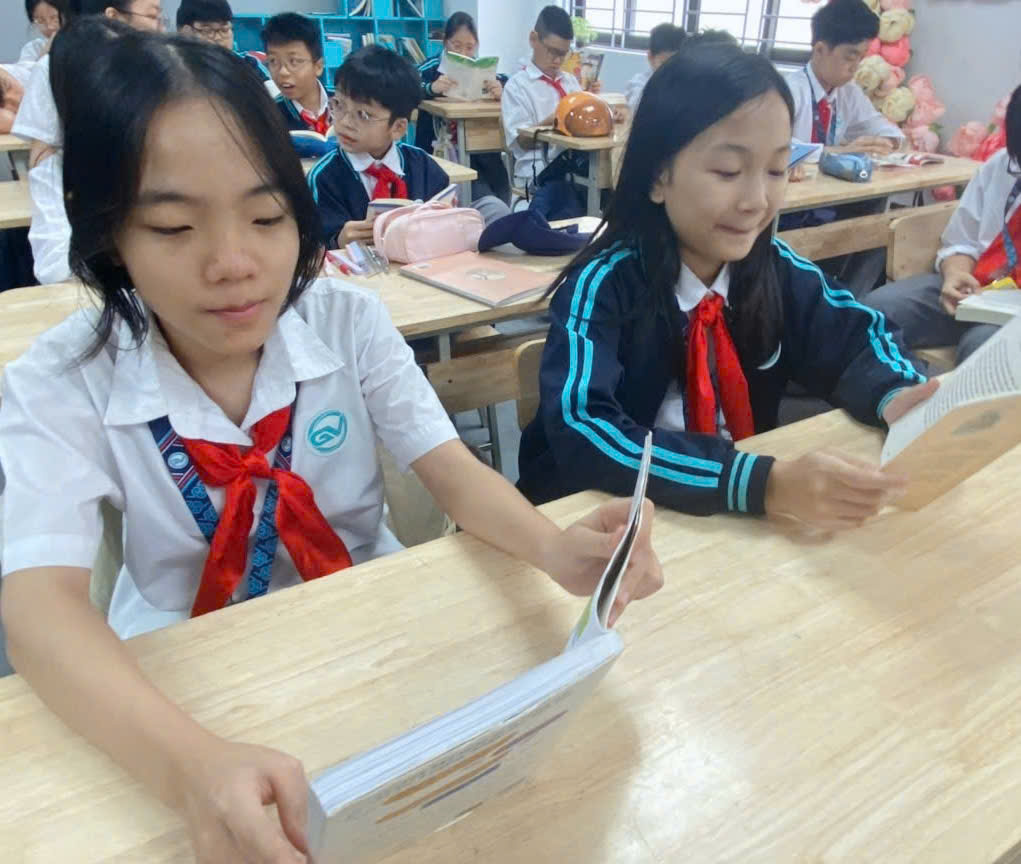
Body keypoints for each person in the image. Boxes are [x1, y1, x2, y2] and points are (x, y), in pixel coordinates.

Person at [0, 31, 663, 863]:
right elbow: (38, 610)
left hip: (372, 630)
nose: (233, 263)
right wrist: (190, 768)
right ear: (110, 235)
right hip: (178, 675)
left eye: (266, 217)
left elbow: (450, 471)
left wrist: (556, 551)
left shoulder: (347, 323)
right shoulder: (63, 378)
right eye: (172, 227)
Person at [517, 35, 936, 532]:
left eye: (777, 169)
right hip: (602, 526)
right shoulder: (602, 287)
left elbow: (859, 337)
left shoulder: (775, 270)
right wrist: (757, 483)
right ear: (657, 177)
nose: (756, 200)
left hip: (729, 523)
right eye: (728, 171)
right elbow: (584, 429)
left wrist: (896, 393)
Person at [864, 85, 1021, 365]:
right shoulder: (1001, 166)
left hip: (1013, 309)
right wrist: (955, 274)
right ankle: (889, 389)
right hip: (978, 289)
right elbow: (962, 241)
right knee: (875, 311)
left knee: (983, 348)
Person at [13, 0, 163, 285]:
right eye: (153, 16)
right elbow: (55, 265)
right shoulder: (56, 69)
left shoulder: (165, 74)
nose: (159, 28)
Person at [308, 45, 507, 249]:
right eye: (339, 105)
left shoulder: (425, 168)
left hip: (423, 264)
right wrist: (338, 241)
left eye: (363, 115)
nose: (345, 122)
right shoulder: (324, 177)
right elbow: (314, 248)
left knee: (493, 210)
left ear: (398, 128)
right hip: (357, 268)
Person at [416, 11, 511, 207]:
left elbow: (509, 83)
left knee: (499, 183)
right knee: (481, 194)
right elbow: (408, 85)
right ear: (445, 42)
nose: (463, 54)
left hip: (478, 149)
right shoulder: (431, 67)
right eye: (456, 46)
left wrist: (500, 89)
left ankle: (498, 212)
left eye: (469, 47)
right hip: (438, 147)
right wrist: (431, 88)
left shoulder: (481, 69)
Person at [785, 0, 903, 153]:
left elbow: (880, 127)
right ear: (820, 50)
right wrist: (839, 151)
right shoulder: (789, 91)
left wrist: (887, 141)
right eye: (850, 57)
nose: (855, 67)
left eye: (861, 57)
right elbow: (780, 149)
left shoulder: (849, 92)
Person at [501, 5, 587, 194]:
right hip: (536, 171)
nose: (557, 61)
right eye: (552, 51)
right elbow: (521, 142)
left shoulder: (570, 82)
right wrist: (552, 122)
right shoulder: (517, 86)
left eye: (563, 54)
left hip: (572, 167)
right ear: (534, 39)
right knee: (576, 191)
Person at [175, 0, 275, 92]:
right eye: (208, 31)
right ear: (185, 32)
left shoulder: (249, 64)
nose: (218, 38)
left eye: (224, 29)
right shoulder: (173, 69)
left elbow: (273, 96)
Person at [262, 12, 328, 134]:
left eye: (294, 61)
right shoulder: (269, 117)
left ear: (318, 66)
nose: (283, 72)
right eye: (273, 61)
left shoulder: (343, 102)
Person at [0, 0, 70, 87]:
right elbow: (26, 82)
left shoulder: (80, 44)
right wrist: (45, 53)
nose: (49, 27)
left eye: (54, 18)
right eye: (40, 21)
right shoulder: (33, 49)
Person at [625, 22, 685, 114]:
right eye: (664, 64)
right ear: (650, 57)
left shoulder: (685, 82)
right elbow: (637, 108)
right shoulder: (639, 83)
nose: (671, 70)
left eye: (677, 64)